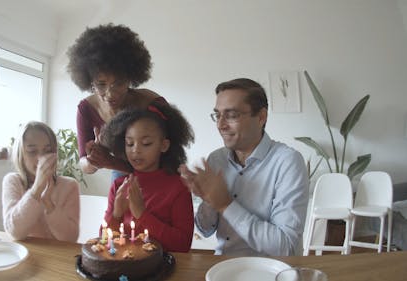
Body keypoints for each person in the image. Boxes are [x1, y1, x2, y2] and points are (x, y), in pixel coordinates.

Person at [179, 78, 309, 256]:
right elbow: (205, 230)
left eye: (231, 115)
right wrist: (209, 201)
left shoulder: (288, 162)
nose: (220, 124)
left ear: (261, 117)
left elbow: (285, 246)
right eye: (217, 115)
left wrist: (225, 204)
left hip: (271, 271)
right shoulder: (217, 159)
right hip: (223, 265)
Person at [66, 23, 166, 180]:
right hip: (120, 174)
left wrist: (110, 161)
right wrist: (95, 159)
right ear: (90, 82)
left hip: (159, 176)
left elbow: (166, 161)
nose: (110, 94)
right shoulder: (86, 110)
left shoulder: (152, 105)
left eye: (118, 83)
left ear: (130, 79)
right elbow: (84, 164)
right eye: (101, 84)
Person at [99, 103, 195, 252]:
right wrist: (117, 214)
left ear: (163, 145)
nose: (135, 150)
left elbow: (182, 245)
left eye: (146, 143)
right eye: (129, 143)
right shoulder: (119, 186)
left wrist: (141, 214)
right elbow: (103, 241)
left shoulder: (178, 187)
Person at [2, 121, 80, 243]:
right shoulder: (13, 181)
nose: (41, 158)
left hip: (58, 256)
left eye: (47, 151)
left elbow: (70, 238)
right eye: (32, 151)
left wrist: (48, 203)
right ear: (21, 154)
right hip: (24, 254)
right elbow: (14, 232)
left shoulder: (69, 186)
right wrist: (37, 190)